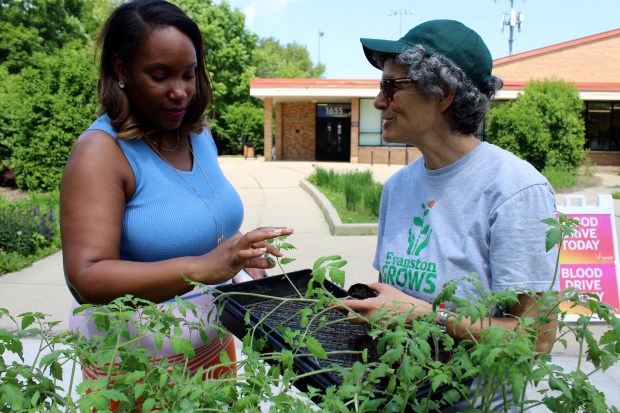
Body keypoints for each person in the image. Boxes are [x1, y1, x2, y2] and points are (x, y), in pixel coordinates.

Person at [60, 0, 292, 383]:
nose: (180, 92)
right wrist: (204, 268)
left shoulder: (197, 134)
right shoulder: (100, 152)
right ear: (122, 69)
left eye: (189, 74)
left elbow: (195, 219)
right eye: (160, 75)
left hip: (213, 350)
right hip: (139, 373)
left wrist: (237, 252)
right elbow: (86, 278)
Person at [342, 20, 558, 410]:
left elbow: (536, 338)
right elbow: (388, 296)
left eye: (391, 86)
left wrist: (424, 317)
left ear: (442, 94)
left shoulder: (515, 191)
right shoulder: (399, 187)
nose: (378, 102)